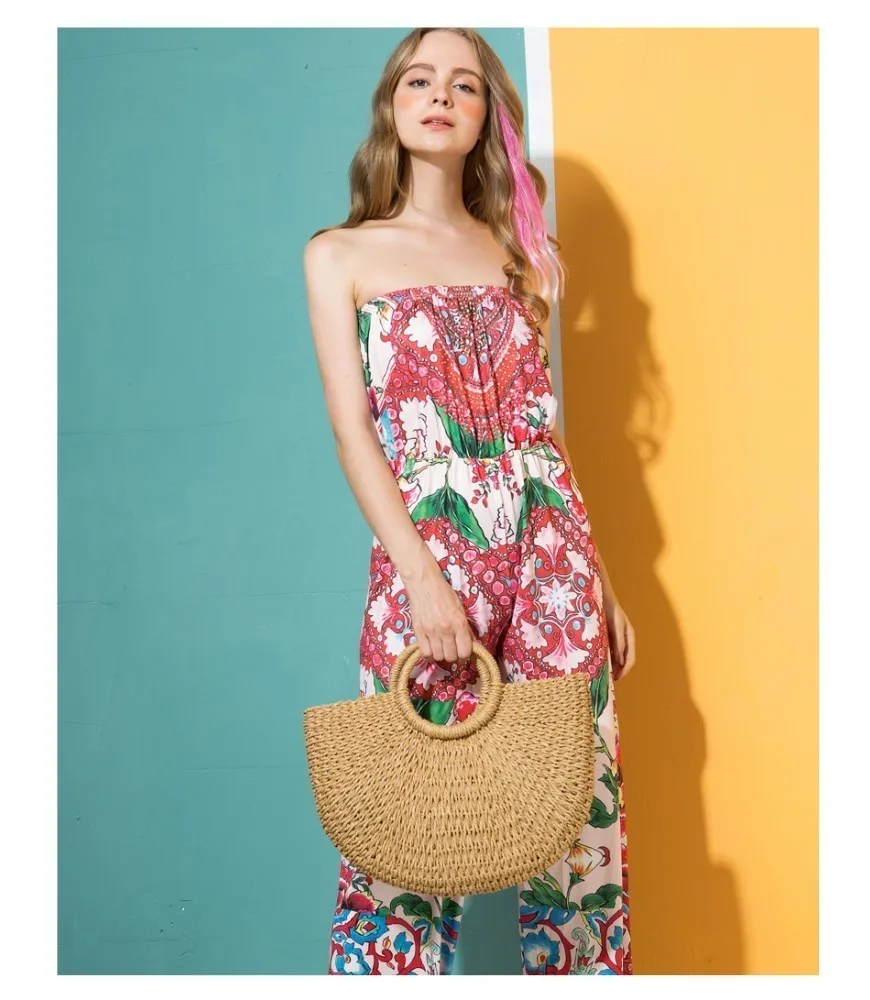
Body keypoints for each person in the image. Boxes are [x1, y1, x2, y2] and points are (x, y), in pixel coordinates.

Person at [303, 26, 636, 976]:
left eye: (464, 84)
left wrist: (601, 580)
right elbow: (354, 434)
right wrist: (420, 578)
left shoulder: (523, 253)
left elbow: (543, 434)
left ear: (489, 114)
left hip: (552, 554)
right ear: (392, 104)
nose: (440, 96)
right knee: (402, 815)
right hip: (430, 549)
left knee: (581, 817)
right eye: (420, 79)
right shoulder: (339, 255)